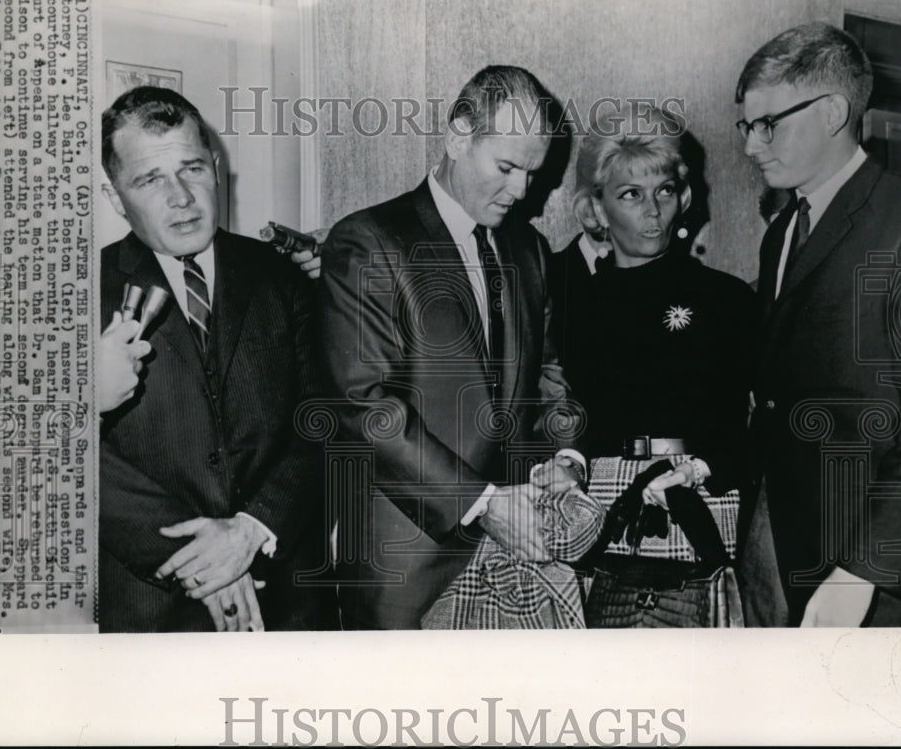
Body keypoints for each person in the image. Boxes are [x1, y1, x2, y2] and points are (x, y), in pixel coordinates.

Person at [320, 65, 585, 629]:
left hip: (511, 559)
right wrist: (484, 504)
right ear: (458, 136)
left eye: (532, 173)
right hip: (405, 567)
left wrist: (564, 457)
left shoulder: (530, 249)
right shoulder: (369, 241)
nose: (520, 191)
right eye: (507, 167)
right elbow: (365, 408)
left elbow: (549, 374)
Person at [98, 86, 336, 632]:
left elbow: (323, 416)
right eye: (150, 179)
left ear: (216, 166)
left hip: (288, 602)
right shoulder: (71, 296)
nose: (181, 197)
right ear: (116, 198)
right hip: (151, 609)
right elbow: (75, 458)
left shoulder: (283, 277)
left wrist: (253, 528)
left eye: (193, 168)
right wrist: (207, 564)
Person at [735, 22, 901, 627]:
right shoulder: (782, 231)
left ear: (834, 111)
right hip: (785, 539)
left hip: (874, 570)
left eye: (769, 125)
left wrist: (866, 566)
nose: (752, 146)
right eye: (748, 126)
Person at [551, 106, 755, 565]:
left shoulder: (725, 299)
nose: (652, 211)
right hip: (593, 501)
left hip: (698, 493)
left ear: (682, 197)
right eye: (630, 194)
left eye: (664, 190)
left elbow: (763, 422)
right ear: (596, 207)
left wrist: (702, 468)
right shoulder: (567, 302)